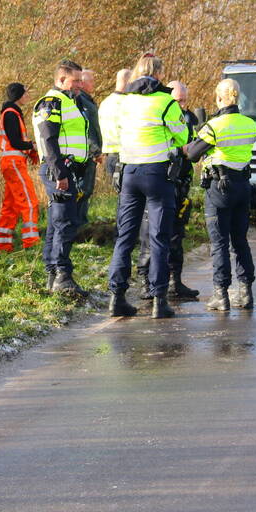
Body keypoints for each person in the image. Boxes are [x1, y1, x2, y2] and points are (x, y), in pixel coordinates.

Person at [107, 54, 189, 319]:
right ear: (159, 74)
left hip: (129, 171)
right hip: (156, 173)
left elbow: (117, 132)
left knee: (125, 237)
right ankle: (158, 300)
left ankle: (116, 297)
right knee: (158, 238)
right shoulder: (166, 101)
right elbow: (183, 134)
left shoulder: (124, 102)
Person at [186, 78, 256, 311]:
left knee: (219, 243)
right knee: (240, 241)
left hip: (219, 187)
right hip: (242, 185)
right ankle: (246, 293)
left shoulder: (214, 126)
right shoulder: (250, 124)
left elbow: (193, 155)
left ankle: (221, 294)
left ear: (218, 98)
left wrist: (199, 134)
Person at [136, 81, 200, 300]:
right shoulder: (158, 112)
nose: (180, 104)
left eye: (183, 100)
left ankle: (175, 281)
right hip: (159, 179)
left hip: (181, 181)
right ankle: (146, 282)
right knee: (149, 233)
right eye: (176, 100)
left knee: (176, 234)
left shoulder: (190, 117)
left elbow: (192, 148)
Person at [33, 59, 89, 297]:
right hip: (59, 170)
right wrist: (60, 173)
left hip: (67, 170)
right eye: (75, 80)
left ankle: (53, 274)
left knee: (59, 222)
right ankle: (62, 275)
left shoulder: (68, 101)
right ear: (60, 79)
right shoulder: (51, 102)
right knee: (66, 222)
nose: (79, 84)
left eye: (80, 79)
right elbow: (48, 138)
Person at [0, 82, 40, 252]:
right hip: (14, 163)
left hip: (11, 163)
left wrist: (29, 148)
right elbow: (15, 142)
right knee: (29, 202)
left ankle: (3, 246)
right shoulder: (11, 114)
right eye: (26, 93)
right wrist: (32, 146)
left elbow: (15, 141)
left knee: (11, 206)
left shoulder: (11, 113)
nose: (28, 95)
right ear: (19, 95)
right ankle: (31, 243)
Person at [75, 69, 103, 226]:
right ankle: (78, 223)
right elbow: (88, 128)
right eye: (91, 80)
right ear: (83, 82)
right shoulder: (82, 101)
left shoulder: (87, 100)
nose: (94, 83)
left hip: (90, 151)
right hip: (87, 153)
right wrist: (95, 150)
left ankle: (81, 221)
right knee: (83, 188)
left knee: (87, 188)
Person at [100, 68, 131, 184]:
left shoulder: (105, 102)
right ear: (128, 81)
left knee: (119, 194)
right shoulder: (128, 102)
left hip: (110, 156)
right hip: (125, 155)